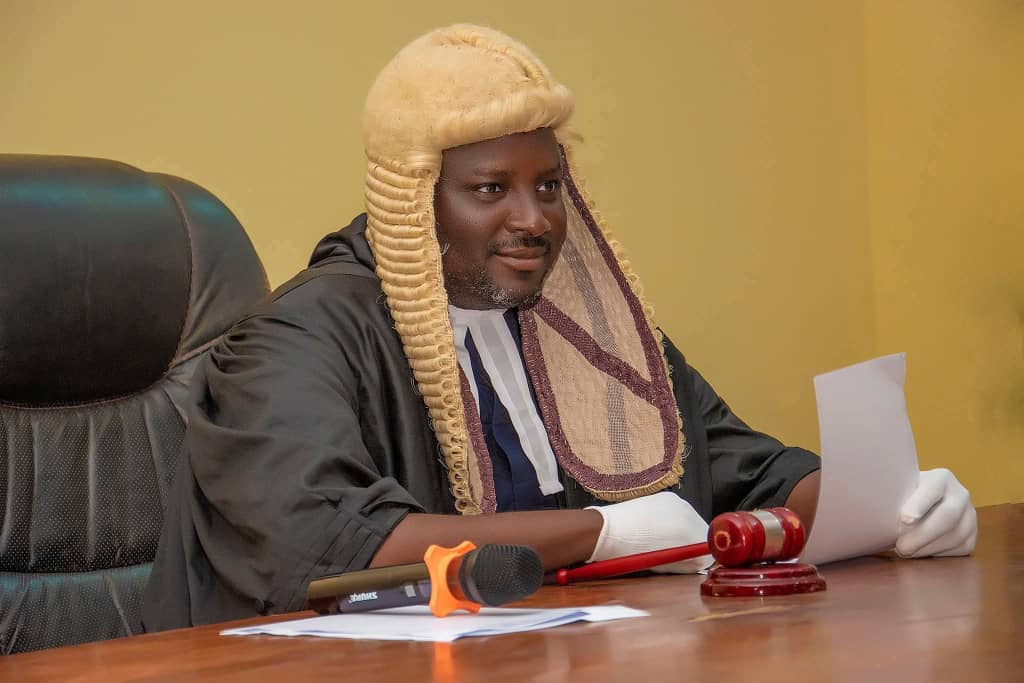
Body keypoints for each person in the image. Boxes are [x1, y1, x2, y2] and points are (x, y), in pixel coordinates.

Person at [142, 24, 976, 630]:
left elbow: (735, 468)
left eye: (549, 186)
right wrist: (601, 532)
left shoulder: (581, 321)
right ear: (414, 197)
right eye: (490, 189)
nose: (533, 219)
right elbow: (329, 543)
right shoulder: (295, 338)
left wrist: (888, 509)